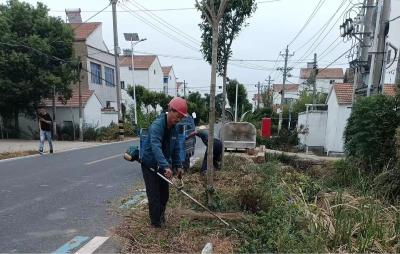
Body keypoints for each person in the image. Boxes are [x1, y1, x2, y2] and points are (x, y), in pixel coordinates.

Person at [140, 97, 188, 228]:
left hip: (162, 165)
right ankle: (156, 225)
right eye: (177, 116)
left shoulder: (173, 128)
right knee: (154, 196)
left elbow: (176, 147)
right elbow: (156, 147)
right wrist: (166, 165)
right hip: (150, 165)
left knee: (164, 195)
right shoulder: (157, 126)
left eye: (181, 118)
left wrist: (178, 165)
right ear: (170, 110)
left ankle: (160, 218)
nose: (178, 120)